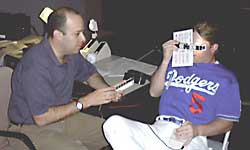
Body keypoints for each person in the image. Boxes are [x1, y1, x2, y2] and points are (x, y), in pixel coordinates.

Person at [102, 21, 241, 150]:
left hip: (192, 136)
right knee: (113, 124)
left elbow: (227, 123)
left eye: (198, 47)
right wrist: (166, 59)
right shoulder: (177, 64)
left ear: (213, 48)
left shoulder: (226, 78)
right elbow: (154, 92)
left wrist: (198, 130)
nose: (191, 50)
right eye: (189, 45)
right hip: (160, 128)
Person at [8, 7, 122, 150]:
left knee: (119, 133)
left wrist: (106, 91)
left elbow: (90, 74)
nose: (83, 39)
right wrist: (85, 102)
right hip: (31, 127)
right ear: (58, 35)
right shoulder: (35, 65)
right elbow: (42, 118)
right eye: (77, 34)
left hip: (63, 117)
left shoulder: (70, 52)